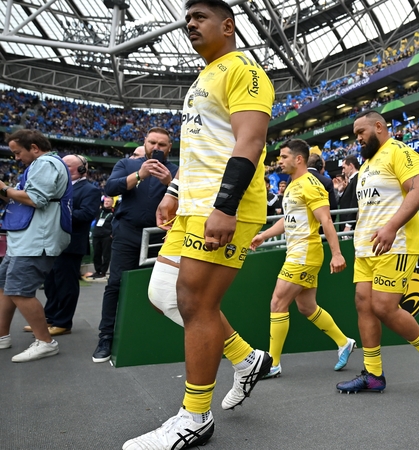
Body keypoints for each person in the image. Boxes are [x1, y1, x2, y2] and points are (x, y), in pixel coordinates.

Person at [122, 1, 274, 448]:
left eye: (199, 17)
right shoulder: (202, 78)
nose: (189, 23)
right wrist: (173, 192)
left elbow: (250, 141)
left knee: (196, 303)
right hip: (193, 206)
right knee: (163, 293)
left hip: (224, 206)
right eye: (186, 18)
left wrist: (225, 205)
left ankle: (195, 418)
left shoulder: (244, 70)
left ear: (227, 26)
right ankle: (246, 359)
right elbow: (199, 150)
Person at [335, 110, 419, 394]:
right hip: (366, 248)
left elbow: (418, 190)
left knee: (384, 307)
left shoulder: (400, 151)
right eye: (356, 135)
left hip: (396, 245)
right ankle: (373, 375)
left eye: (361, 132)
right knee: (363, 304)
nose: (358, 139)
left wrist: (392, 227)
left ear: (379, 127)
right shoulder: (367, 164)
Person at [250, 139, 354, 378]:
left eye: (284, 157)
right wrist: (264, 235)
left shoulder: (311, 184)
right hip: (298, 251)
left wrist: (337, 253)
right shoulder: (292, 185)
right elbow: (288, 219)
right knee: (307, 307)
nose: (280, 161)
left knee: (278, 302)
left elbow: (326, 220)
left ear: (298, 159)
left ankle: (273, 364)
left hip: (305, 252)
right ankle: (344, 342)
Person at [93, 126, 178, 364]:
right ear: (145, 142)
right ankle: (106, 337)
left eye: (162, 144)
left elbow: (190, 199)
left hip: (162, 237)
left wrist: (170, 182)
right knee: (116, 284)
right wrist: (140, 175)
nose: (156, 148)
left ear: (169, 147)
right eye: (152, 143)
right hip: (127, 234)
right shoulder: (127, 164)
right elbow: (110, 189)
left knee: (159, 287)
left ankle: (148, 334)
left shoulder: (177, 171)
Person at [0, 130, 71, 362]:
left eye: (17, 152)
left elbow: (34, 199)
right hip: (24, 240)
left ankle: (45, 342)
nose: (16, 158)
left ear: (34, 148)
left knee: (19, 291)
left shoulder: (45, 163)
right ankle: (2, 336)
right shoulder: (39, 165)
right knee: (4, 286)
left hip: (35, 241)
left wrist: (4, 189)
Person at [42, 155, 101, 335]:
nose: (62, 169)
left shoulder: (90, 190)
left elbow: (86, 215)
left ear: (82, 169)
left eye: (67, 166)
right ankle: (49, 318)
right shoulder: (58, 187)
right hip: (51, 241)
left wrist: (57, 210)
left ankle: (63, 322)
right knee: (51, 283)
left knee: (66, 285)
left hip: (71, 244)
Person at [90, 196, 115, 280]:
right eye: (105, 201)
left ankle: (103, 271)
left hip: (106, 236)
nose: (106, 203)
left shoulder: (113, 213)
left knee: (106, 254)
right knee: (96, 253)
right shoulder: (99, 211)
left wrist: (112, 233)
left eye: (108, 201)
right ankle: (97, 270)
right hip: (97, 234)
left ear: (112, 203)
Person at [338, 155, 360, 232]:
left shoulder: (357, 179)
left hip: (350, 226)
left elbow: (354, 201)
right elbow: (346, 200)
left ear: (351, 166)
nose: (343, 171)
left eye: (344, 168)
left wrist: (348, 225)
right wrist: (341, 191)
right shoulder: (351, 181)